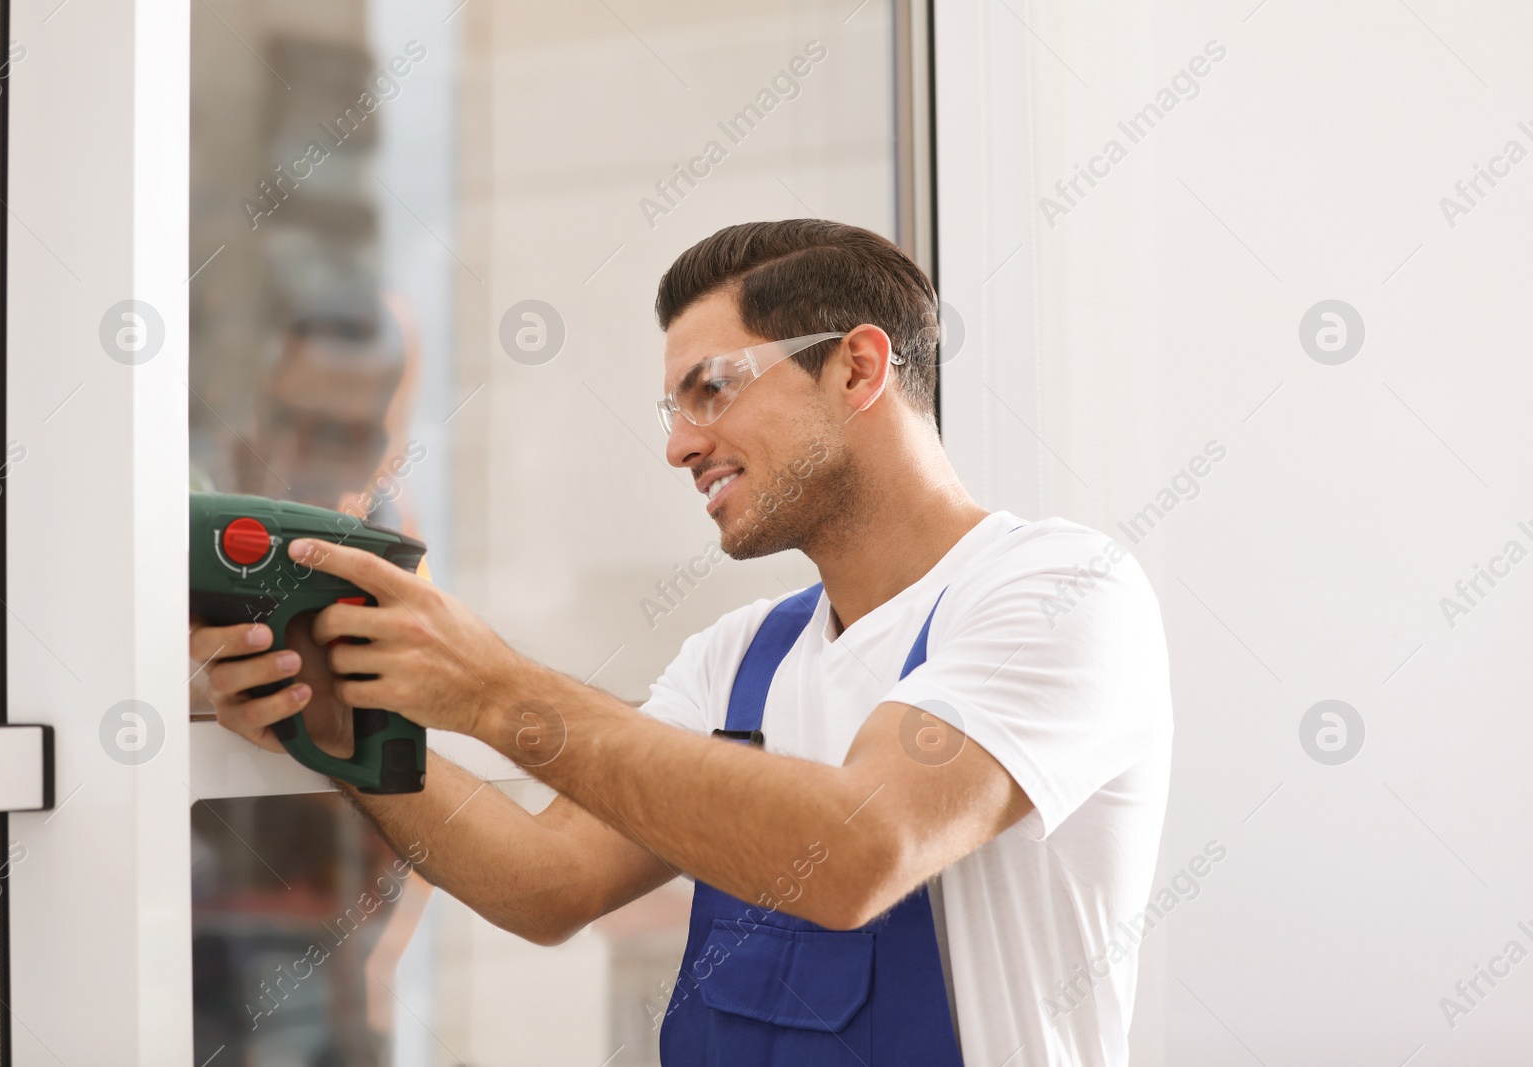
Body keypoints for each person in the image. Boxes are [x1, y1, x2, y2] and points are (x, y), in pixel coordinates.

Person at [190, 219, 1174, 1066]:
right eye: (674, 408)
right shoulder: (739, 656)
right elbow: (547, 880)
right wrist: (338, 724)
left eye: (711, 389)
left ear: (857, 367)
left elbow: (861, 849)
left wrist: (494, 690)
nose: (679, 443)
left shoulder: (1059, 591)